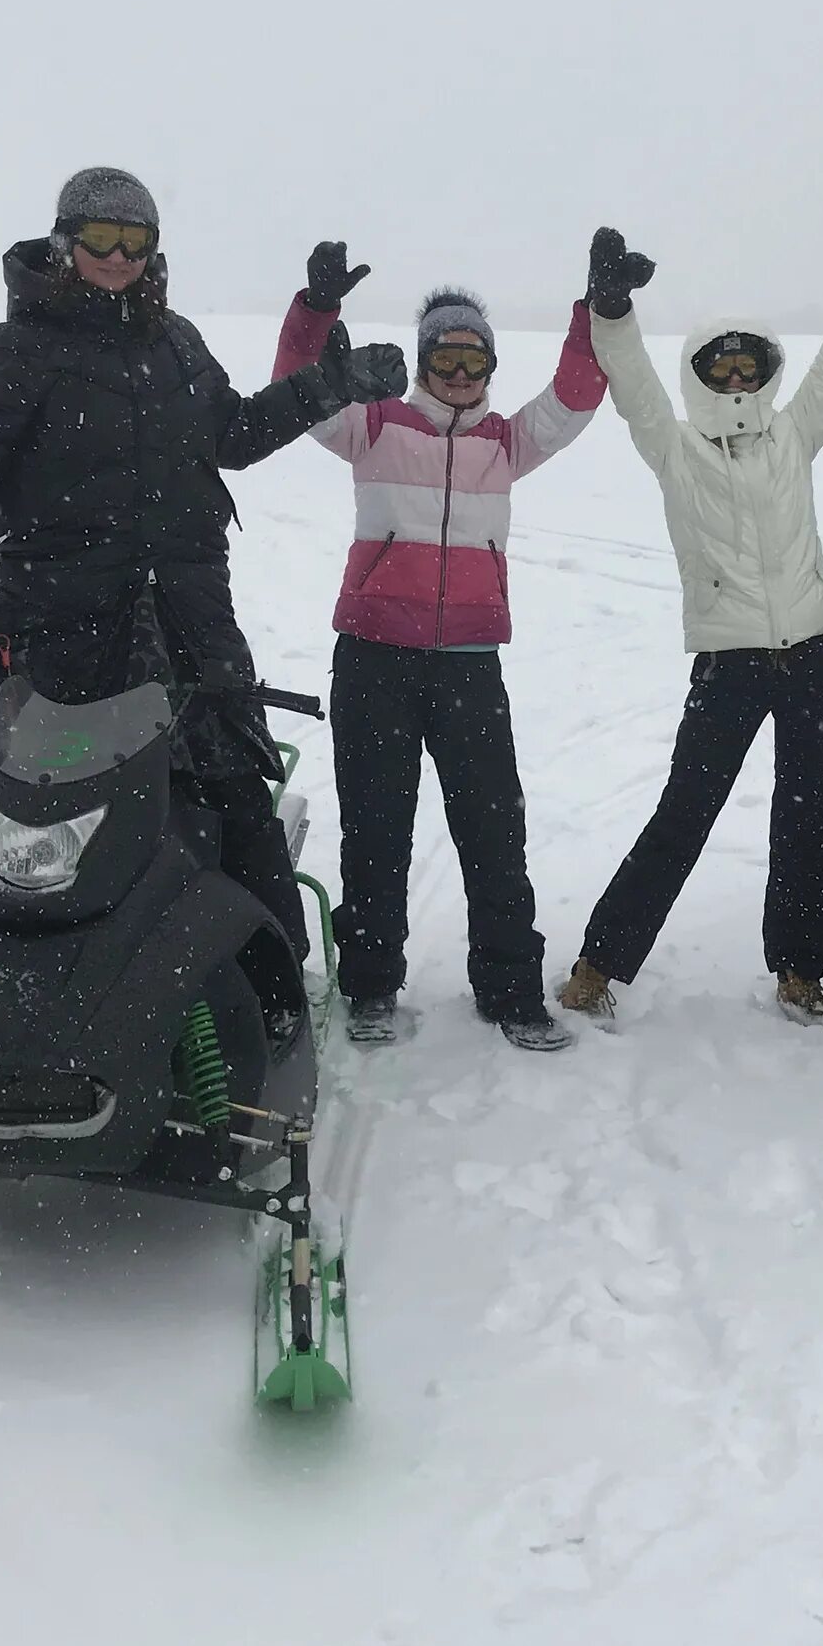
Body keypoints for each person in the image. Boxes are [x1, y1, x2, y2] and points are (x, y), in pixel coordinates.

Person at [0, 166, 406, 1035]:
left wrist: (332, 383)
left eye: (136, 243)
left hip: (188, 624)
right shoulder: (21, 348)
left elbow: (234, 436)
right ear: (66, 242)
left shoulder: (176, 344)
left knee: (229, 799)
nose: (119, 258)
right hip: (52, 625)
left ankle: (269, 1000)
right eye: (101, 239)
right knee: (34, 826)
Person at [555, 208, 823, 1026]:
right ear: (701, 375)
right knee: (685, 813)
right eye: (722, 367)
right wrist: (610, 309)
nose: (738, 379)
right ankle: (599, 965)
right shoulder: (675, 448)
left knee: (807, 819)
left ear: (767, 371)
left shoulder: (794, 435)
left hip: (816, 652)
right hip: (730, 661)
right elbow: (631, 382)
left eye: (750, 366)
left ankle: (798, 972)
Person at [275, 244, 610, 1052]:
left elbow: (573, 397)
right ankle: (369, 988)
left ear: (490, 364)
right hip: (373, 660)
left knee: (495, 828)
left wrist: (591, 312)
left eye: (475, 358)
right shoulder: (375, 424)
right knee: (377, 827)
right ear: (424, 360)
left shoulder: (505, 442)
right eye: (446, 357)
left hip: (467, 663)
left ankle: (510, 990)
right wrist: (315, 312)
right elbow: (297, 388)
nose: (460, 372)